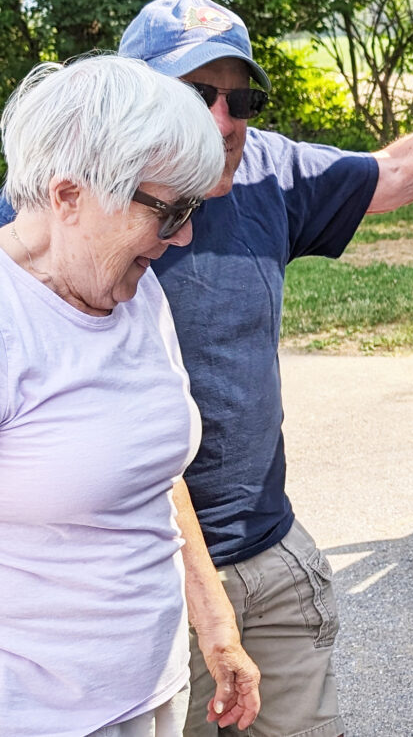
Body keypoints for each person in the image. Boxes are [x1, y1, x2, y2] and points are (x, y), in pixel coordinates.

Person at [109, 0, 413, 737]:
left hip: (269, 553)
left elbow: (392, 172)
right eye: (195, 96)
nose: (224, 122)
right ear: (130, 103)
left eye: (240, 99)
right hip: (145, 580)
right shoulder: (64, 216)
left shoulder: (267, 173)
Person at [0, 55, 261, 736]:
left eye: (192, 207)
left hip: (150, 697)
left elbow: (154, 471)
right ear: (68, 196)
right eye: (169, 210)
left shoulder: (135, 292)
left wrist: (216, 623)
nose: (184, 235)